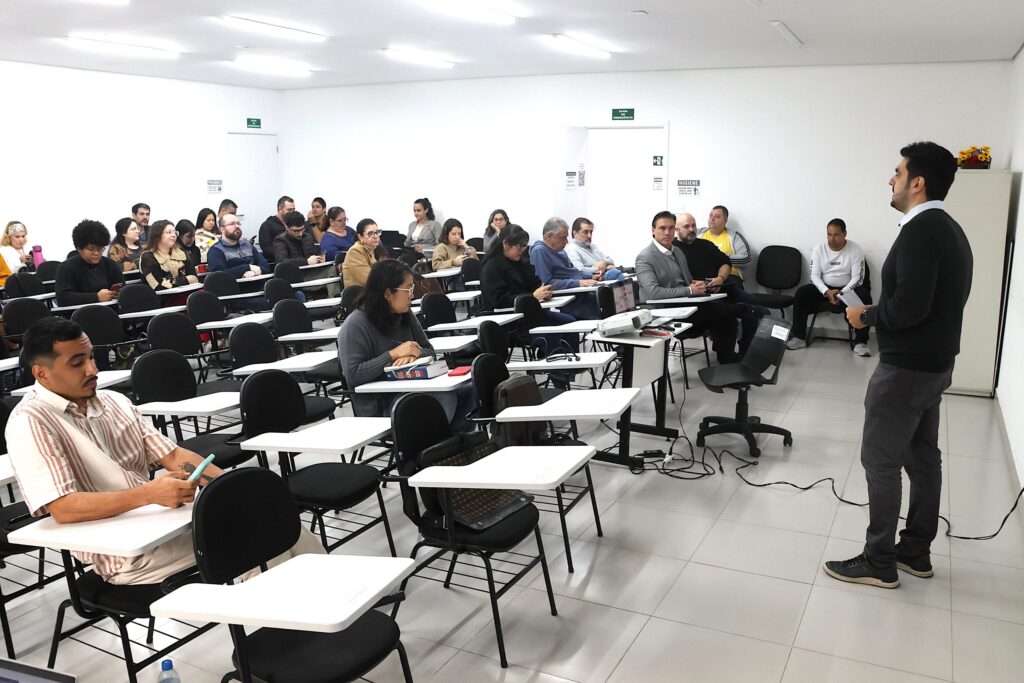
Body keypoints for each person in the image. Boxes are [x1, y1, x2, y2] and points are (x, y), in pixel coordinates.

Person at [5, 317, 322, 586]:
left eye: (91, 357)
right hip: (124, 553)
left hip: (163, 523)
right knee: (254, 539)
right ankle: (295, 630)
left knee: (276, 517)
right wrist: (148, 494)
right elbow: (63, 507)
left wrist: (229, 488)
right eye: (77, 363)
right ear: (41, 373)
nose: (92, 369)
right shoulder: (31, 422)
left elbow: (173, 457)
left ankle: (333, 603)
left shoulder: (114, 402)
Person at [824, 142, 973, 589]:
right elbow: (926, 301)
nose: (891, 179)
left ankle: (879, 560)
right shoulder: (950, 229)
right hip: (934, 365)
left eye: (898, 172)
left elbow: (909, 307)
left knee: (881, 460)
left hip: (906, 370)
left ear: (917, 182)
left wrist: (865, 316)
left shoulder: (920, 231)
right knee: (922, 458)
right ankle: (915, 552)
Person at [338, 260, 475, 430]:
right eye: (408, 288)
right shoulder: (355, 325)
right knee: (443, 399)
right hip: (383, 402)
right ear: (388, 294)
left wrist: (414, 354)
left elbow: (430, 351)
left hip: (417, 387)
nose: (413, 295)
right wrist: (393, 355)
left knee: (472, 391)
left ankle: (453, 442)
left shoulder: (404, 313)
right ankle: (440, 443)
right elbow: (353, 374)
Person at [635, 211, 739, 363]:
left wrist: (698, 285)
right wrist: (690, 290)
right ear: (653, 231)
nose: (667, 232)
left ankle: (726, 362)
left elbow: (687, 281)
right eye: (662, 228)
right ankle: (727, 362)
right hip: (663, 312)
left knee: (727, 312)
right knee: (725, 312)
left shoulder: (677, 251)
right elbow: (653, 293)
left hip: (685, 305)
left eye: (671, 228)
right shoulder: (645, 257)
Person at [481, 224, 580, 357]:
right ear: (505, 244)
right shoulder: (491, 268)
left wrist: (544, 291)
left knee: (570, 322)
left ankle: (571, 365)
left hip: (531, 314)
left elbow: (535, 284)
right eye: (518, 246)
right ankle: (554, 366)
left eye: (524, 246)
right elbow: (500, 301)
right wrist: (532, 297)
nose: (522, 250)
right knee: (553, 333)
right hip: (511, 322)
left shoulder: (521, 262)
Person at [675, 212, 761, 354]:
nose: (691, 229)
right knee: (726, 311)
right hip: (699, 295)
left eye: (693, 225)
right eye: (686, 226)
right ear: (677, 229)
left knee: (753, 303)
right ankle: (725, 353)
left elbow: (725, 263)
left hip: (720, 287)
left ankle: (746, 348)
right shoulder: (673, 249)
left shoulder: (705, 244)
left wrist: (720, 278)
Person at [786, 218, 873, 356]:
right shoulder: (819, 248)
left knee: (864, 296)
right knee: (802, 293)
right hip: (825, 288)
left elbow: (858, 278)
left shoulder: (855, 249)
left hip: (847, 288)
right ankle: (798, 337)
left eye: (836, 235)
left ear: (845, 234)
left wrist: (841, 293)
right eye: (829, 234)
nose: (832, 239)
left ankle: (861, 342)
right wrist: (827, 291)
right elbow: (814, 276)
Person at [529, 217, 600, 320]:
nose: (566, 241)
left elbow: (573, 271)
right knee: (601, 304)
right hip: (569, 298)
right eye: (563, 237)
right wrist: (577, 283)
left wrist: (592, 276)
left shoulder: (561, 251)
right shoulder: (539, 252)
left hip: (578, 292)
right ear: (549, 236)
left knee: (605, 296)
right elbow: (546, 284)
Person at [207, 214, 271, 312]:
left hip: (259, 290)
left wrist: (253, 272)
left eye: (238, 223)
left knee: (289, 295)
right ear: (222, 229)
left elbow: (265, 266)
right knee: (268, 303)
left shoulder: (248, 245)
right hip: (237, 296)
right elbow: (219, 277)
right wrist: (246, 268)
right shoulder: (216, 250)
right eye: (232, 224)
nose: (237, 226)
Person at [55, 220, 124, 306]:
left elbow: (122, 288)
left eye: (100, 249)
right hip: (79, 312)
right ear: (79, 248)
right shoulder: (66, 268)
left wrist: (118, 294)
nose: (96, 253)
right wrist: (96, 297)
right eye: (91, 249)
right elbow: (63, 297)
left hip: (111, 309)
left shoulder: (110, 265)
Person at [140, 220, 199, 292]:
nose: (173, 235)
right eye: (169, 232)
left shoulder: (181, 253)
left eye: (175, 232)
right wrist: (185, 280)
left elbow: (195, 278)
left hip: (186, 293)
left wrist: (173, 280)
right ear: (157, 236)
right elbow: (158, 285)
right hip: (162, 297)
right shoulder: (148, 257)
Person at [697, 205, 751, 279]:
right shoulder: (697, 234)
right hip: (702, 278)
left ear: (725, 220)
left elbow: (746, 259)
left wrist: (719, 258)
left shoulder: (735, 236)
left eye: (717, 216)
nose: (712, 219)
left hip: (730, 278)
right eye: (711, 215)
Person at [342, 219, 382, 288]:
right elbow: (369, 279)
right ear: (360, 237)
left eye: (377, 232)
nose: (376, 236)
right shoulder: (355, 251)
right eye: (370, 234)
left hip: (374, 290)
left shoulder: (374, 248)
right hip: (360, 292)